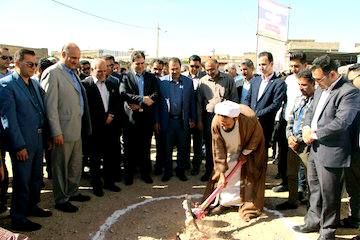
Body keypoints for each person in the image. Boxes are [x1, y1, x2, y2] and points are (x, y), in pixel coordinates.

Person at [293, 55, 360, 240]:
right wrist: (306, 127)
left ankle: (328, 231)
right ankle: (313, 221)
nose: (316, 83)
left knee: (330, 194)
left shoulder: (349, 92)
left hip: (333, 151)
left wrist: (314, 134)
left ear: (332, 74)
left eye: (318, 79)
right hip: (315, 148)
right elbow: (310, 113)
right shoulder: (320, 90)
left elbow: (341, 123)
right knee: (314, 188)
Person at [0, 49, 52, 231]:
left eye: (35, 64)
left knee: (36, 177)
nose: (33, 67)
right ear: (17, 64)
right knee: (22, 181)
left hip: (37, 139)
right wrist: (19, 145)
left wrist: (47, 137)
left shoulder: (34, 84)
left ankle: (32, 206)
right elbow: (9, 120)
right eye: (29, 64)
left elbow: (41, 112)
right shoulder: (6, 85)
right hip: (23, 143)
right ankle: (18, 218)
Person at [41, 43, 92, 213]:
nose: (76, 61)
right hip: (62, 130)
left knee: (75, 164)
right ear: (63, 54)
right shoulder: (53, 73)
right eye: (73, 58)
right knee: (60, 166)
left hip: (76, 128)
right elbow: (50, 106)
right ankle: (61, 199)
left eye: (78, 58)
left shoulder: (73, 73)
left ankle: (72, 191)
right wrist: (55, 131)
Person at [203, 100, 266, 222]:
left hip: (250, 147)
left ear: (235, 119)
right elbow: (217, 148)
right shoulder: (216, 122)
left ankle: (243, 203)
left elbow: (257, 136)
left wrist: (245, 152)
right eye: (222, 124)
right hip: (229, 148)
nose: (224, 126)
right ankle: (225, 202)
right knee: (226, 173)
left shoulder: (249, 118)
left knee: (247, 175)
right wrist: (221, 173)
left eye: (227, 124)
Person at [275, 68, 315, 210]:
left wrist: (298, 139)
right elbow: (291, 119)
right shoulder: (299, 98)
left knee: (311, 178)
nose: (301, 88)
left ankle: (312, 207)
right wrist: (289, 136)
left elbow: (310, 124)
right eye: (299, 84)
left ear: (313, 84)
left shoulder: (317, 101)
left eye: (304, 85)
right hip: (293, 142)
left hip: (306, 145)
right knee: (291, 173)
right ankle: (292, 200)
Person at [82, 59, 122, 197]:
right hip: (94, 128)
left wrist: (111, 114)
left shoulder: (112, 83)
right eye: (99, 71)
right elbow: (85, 109)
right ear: (92, 70)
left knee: (109, 157)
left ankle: (109, 182)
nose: (103, 74)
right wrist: (100, 119)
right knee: (95, 159)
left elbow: (117, 102)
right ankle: (96, 185)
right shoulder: (85, 85)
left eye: (105, 71)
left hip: (110, 127)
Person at [120, 51, 159, 185]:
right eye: (137, 63)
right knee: (129, 149)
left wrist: (143, 102)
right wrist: (143, 99)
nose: (140, 66)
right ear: (132, 63)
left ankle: (145, 174)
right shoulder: (125, 77)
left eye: (143, 63)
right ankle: (128, 175)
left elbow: (155, 94)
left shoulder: (150, 77)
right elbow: (124, 93)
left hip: (146, 118)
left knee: (145, 147)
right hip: (130, 119)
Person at [197, 59, 239, 181]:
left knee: (225, 146)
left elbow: (234, 100)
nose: (210, 72)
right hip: (209, 118)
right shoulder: (202, 81)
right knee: (211, 146)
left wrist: (233, 120)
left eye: (212, 69)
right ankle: (210, 171)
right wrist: (199, 120)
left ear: (217, 67)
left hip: (226, 119)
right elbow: (199, 103)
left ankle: (226, 173)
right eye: (207, 70)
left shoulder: (228, 79)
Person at [155, 57, 196, 182]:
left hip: (182, 121)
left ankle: (180, 170)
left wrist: (193, 118)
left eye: (176, 68)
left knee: (183, 148)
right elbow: (157, 104)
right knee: (166, 148)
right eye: (172, 69)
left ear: (180, 67)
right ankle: (167, 171)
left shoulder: (188, 82)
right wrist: (156, 121)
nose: (174, 71)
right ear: (168, 68)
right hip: (168, 121)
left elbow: (192, 102)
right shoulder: (161, 82)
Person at [272, 52, 308, 193]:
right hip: (286, 122)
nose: (294, 69)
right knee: (284, 155)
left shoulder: (311, 81)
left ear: (305, 65)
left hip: (303, 126)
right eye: (292, 66)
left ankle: (301, 188)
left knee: (301, 159)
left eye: (297, 66)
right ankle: (286, 183)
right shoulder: (287, 80)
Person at [244, 52, 286, 150]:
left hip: (265, 126)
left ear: (271, 64)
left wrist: (256, 114)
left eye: (264, 64)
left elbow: (275, 105)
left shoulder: (279, 83)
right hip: (250, 124)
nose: (261, 67)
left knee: (261, 155)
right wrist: (248, 113)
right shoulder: (255, 80)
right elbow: (247, 99)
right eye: (259, 65)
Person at [340, 64, 360, 228]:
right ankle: (355, 219)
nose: (349, 83)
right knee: (354, 189)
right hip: (352, 151)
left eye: (352, 80)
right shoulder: (350, 98)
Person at [183, 55, 206, 175]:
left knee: (198, 143)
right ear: (188, 65)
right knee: (185, 142)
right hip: (185, 116)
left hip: (199, 116)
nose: (194, 68)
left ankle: (196, 166)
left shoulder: (205, 78)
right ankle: (186, 164)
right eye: (192, 66)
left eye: (197, 66)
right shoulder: (182, 77)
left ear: (200, 66)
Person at [150, 59, 166, 175]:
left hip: (158, 118)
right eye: (155, 68)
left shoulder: (163, 82)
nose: (157, 71)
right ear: (151, 67)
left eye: (160, 69)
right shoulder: (146, 79)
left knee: (160, 143)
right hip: (143, 117)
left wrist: (157, 120)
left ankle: (159, 166)